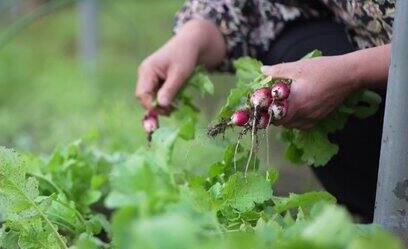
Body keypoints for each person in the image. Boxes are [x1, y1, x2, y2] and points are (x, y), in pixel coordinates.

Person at [136, 1, 395, 223]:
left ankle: (394, 220)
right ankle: (370, 214)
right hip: (362, 43)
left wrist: (352, 73)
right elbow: (258, 7)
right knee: (296, 47)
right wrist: (194, 37)